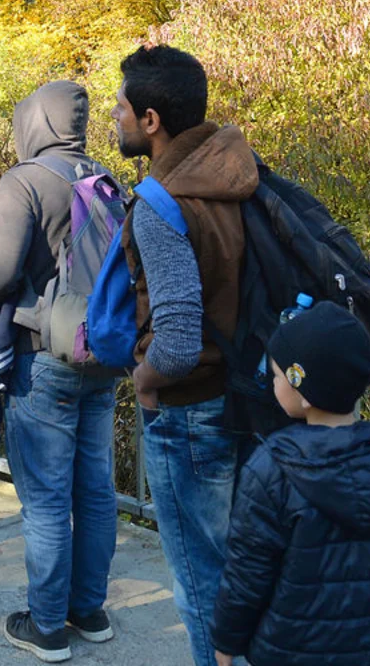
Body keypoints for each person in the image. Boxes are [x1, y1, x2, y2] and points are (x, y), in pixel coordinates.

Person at [112, 44, 258, 666]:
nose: (114, 117)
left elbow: (174, 342)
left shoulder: (162, 202)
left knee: (201, 583)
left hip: (190, 412)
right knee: (244, 572)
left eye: (122, 108)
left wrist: (145, 383)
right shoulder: (237, 174)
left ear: (151, 121)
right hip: (246, 396)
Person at [0, 81, 120, 661]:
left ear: (34, 120)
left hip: (43, 356)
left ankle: (48, 625)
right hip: (102, 352)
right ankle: (90, 611)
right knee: (96, 491)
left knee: (47, 500)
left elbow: (0, 271)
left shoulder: (25, 180)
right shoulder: (105, 177)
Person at [211, 303, 370, 666]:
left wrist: (226, 641)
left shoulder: (272, 469)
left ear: (303, 391)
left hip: (292, 648)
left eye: (277, 375)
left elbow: (248, 573)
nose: (272, 381)